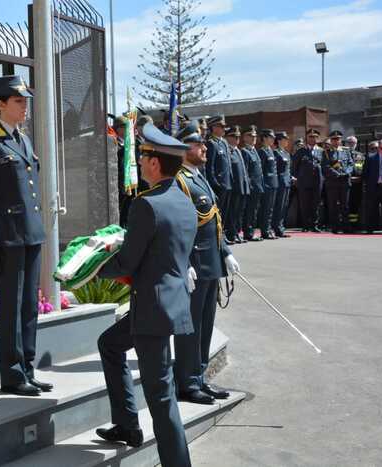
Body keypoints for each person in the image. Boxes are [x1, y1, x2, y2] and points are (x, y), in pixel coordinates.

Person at [95, 122, 195, 467]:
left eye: (142, 156)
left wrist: (93, 265)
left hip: (151, 310)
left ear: (155, 163)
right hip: (170, 304)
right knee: (109, 343)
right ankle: (126, 424)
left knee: (161, 396)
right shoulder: (183, 201)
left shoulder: (147, 204)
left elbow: (128, 260)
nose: (138, 162)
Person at [0, 75, 52, 397]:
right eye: (19, 101)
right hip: (7, 236)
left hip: (30, 233)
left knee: (30, 305)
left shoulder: (23, 140)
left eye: (25, 101)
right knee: (10, 307)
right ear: (0, 104)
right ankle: (13, 373)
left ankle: (28, 369)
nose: (25, 106)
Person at [173, 123, 241, 405]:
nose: (204, 148)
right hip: (195, 266)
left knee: (205, 325)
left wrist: (225, 251)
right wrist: (184, 262)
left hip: (211, 262)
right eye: (197, 144)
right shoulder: (180, 181)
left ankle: (199, 377)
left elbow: (215, 220)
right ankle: (187, 383)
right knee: (191, 327)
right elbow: (178, 226)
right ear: (183, 149)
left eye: (202, 143)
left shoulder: (199, 178)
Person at [205, 116, 233, 244]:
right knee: (218, 213)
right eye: (221, 127)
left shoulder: (224, 143)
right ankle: (218, 237)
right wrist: (215, 184)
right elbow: (209, 167)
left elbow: (228, 165)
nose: (224, 129)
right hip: (218, 185)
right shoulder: (211, 144)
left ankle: (223, 235)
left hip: (227, 183)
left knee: (225, 213)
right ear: (214, 128)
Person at [322, 130, 354, 233]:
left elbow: (351, 164)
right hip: (333, 182)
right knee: (333, 205)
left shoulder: (346, 150)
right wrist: (336, 174)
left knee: (345, 205)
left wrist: (346, 172)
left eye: (338, 139)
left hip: (344, 181)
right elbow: (325, 166)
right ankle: (335, 227)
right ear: (331, 141)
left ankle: (346, 227)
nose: (336, 141)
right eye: (334, 139)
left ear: (341, 140)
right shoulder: (326, 152)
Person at [292, 129, 324, 232]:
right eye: (310, 136)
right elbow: (294, 166)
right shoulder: (301, 151)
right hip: (304, 182)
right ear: (307, 138)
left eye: (314, 137)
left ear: (317, 138)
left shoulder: (321, 151)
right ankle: (305, 225)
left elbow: (324, 166)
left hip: (317, 182)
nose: (312, 139)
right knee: (304, 204)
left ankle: (314, 225)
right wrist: (296, 179)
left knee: (316, 204)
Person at [224, 125, 250, 243]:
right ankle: (231, 234)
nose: (237, 139)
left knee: (239, 212)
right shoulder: (227, 151)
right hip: (234, 187)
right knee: (232, 213)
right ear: (227, 137)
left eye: (238, 137)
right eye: (234, 136)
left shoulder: (238, 150)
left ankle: (236, 233)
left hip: (242, 187)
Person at [241, 125, 264, 241]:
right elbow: (246, 172)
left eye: (254, 136)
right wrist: (249, 186)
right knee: (249, 211)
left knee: (254, 211)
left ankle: (252, 231)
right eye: (250, 135)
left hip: (258, 186)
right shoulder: (245, 152)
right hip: (251, 187)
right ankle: (248, 233)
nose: (253, 138)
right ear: (244, 138)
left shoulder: (254, 151)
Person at [361, 139, 382, 233]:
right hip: (374, 187)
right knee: (371, 208)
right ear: (378, 148)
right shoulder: (371, 158)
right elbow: (365, 173)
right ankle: (370, 228)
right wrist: (368, 184)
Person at [257, 129, 279, 239]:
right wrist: (264, 184)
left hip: (273, 183)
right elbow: (261, 171)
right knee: (265, 209)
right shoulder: (262, 151)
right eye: (271, 137)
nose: (273, 139)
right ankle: (265, 230)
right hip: (267, 184)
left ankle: (268, 229)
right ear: (265, 138)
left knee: (270, 209)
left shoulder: (271, 150)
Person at [272, 131, 293, 237]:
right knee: (278, 206)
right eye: (285, 139)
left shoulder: (286, 153)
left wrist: (291, 178)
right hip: (280, 183)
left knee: (284, 206)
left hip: (287, 183)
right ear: (279, 140)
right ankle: (277, 228)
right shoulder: (276, 153)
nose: (287, 141)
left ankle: (281, 227)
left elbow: (288, 169)